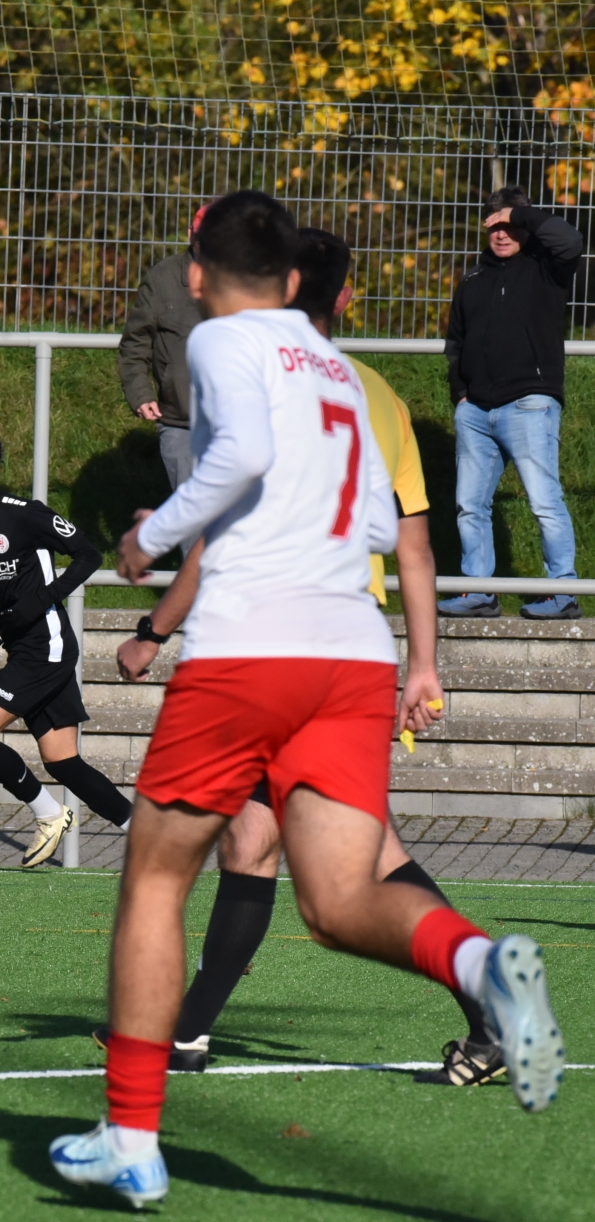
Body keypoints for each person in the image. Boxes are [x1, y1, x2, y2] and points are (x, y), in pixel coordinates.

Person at [50, 191, 563, 1208]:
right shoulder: (336, 371)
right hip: (352, 654)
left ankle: (132, 1135)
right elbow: (380, 523)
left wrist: (153, 535)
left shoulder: (221, 339)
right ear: (294, 279)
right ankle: (480, 965)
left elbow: (237, 457)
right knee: (337, 901)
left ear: (200, 276)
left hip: (254, 647)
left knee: (154, 879)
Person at [103, 227, 498, 1086]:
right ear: (344, 298)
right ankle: (190, 1032)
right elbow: (410, 543)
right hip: (352, 648)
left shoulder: (251, 368)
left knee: (176, 865)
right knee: (282, 850)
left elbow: (224, 524)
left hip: (262, 643)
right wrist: (422, 665)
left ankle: (148, 1088)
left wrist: (156, 617)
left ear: (277, 286)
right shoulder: (372, 393)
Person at [0, 425, 133, 867]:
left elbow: (88, 554)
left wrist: (42, 599)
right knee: (63, 762)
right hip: (20, 648)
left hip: (47, 645)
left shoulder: (25, 515)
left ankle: (48, 813)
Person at [439, 186, 585, 620]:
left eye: (509, 226)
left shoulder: (548, 266)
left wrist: (521, 214)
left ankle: (563, 592)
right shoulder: (473, 278)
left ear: (524, 225)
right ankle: (478, 591)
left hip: (529, 405)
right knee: (469, 505)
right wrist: (461, 394)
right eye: (494, 226)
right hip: (475, 411)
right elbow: (455, 341)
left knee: (544, 502)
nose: (501, 234)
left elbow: (570, 239)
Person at [116, 205, 208, 488]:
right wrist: (141, 394)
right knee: (192, 508)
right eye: (202, 237)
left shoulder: (248, 282)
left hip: (236, 425)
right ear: (191, 234)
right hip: (180, 423)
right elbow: (135, 343)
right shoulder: (162, 278)